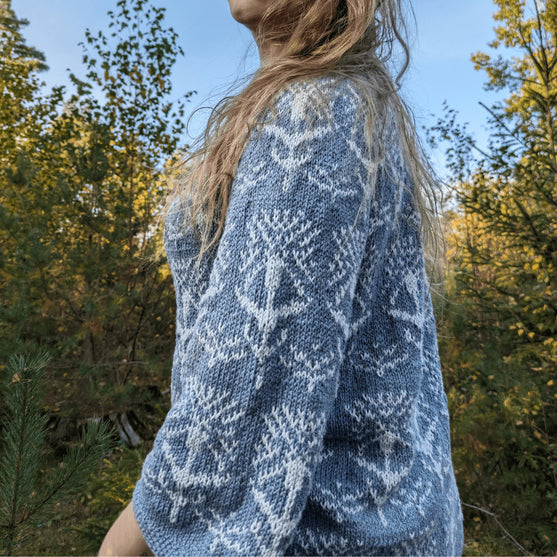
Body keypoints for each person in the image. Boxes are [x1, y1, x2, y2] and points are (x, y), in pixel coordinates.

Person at [99, 0, 464, 555]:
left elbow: (245, 378)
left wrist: (128, 538)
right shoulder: (356, 105)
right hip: (392, 516)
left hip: (319, 530)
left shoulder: (313, 115)